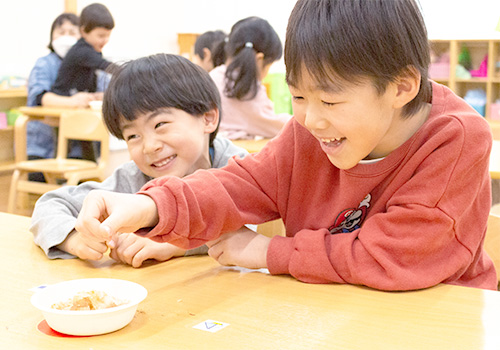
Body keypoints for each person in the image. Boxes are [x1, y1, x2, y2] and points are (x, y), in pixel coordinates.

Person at [75, 0, 497, 291]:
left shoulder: (456, 138)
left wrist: (269, 251)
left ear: (402, 85)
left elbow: (396, 258)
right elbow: (242, 184)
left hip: (436, 317)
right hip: (333, 305)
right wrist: (151, 206)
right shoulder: (312, 130)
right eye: (297, 97)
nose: (310, 119)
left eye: (330, 100)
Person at [30, 53, 249, 267]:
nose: (149, 146)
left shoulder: (234, 166)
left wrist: (176, 244)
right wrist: (75, 238)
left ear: (207, 118)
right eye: (133, 136)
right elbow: (50, 204)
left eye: (160, 124)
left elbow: (246, 226)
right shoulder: (133, 178)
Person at [26, 13, 95, 181]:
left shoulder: (88, 65)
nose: (65, 37)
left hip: (80, 144)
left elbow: (104, 92)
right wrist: (73, 102)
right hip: (44, 146)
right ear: (52, 36)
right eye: (61, 32)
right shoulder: (44, 64)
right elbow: (40, 98)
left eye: (72, 33)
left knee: (82, 188)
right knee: (42, 188)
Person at [210, 16, 292, 140]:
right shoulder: (248, 88)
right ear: (259, 60)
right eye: (269, 66)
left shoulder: (213, 76)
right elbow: (278, 126)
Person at [51, 3, 114, 99]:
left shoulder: (94, 50)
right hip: (63, 100)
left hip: (78, 101)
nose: (105, 40)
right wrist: (131, 71)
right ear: (84, 31)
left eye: (108, 35)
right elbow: (107, 66)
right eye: (101, 36)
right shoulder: (82, 51)